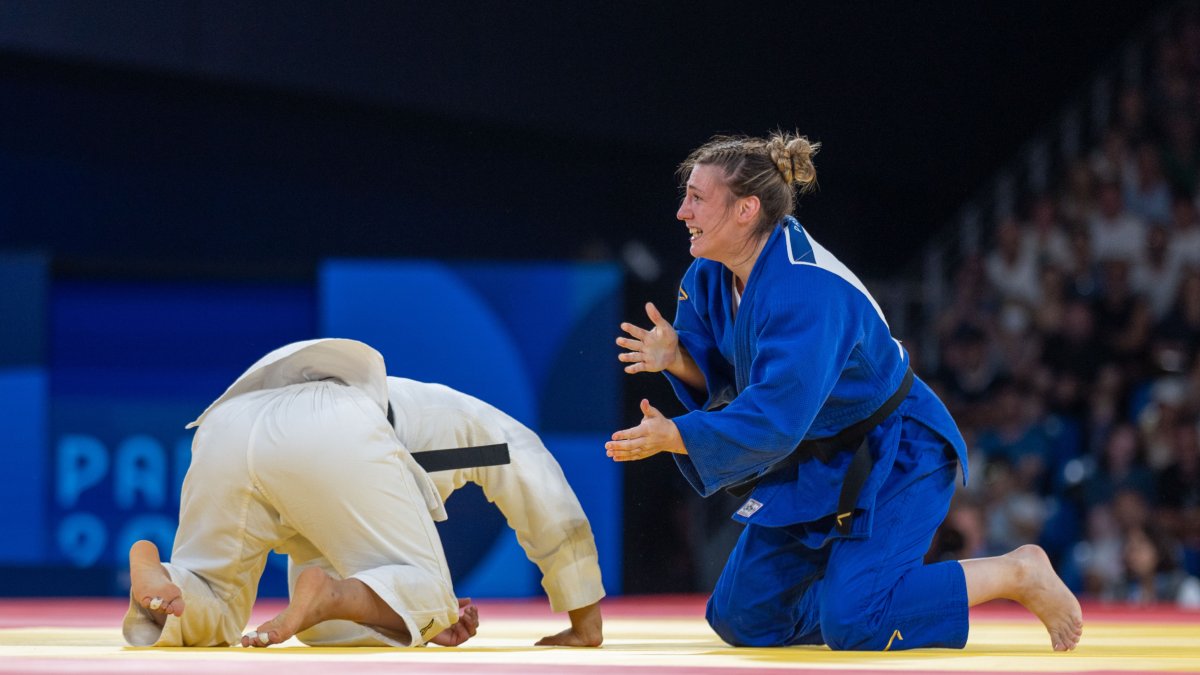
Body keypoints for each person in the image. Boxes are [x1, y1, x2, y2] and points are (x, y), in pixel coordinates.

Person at [607, 132, 1083, 651]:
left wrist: (676, 434)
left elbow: (772, 418)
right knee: (742, 620)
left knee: (855, 623)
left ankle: (1016, 571)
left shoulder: (806, 289)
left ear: (746, 209)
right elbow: (724, 373)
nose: (682, 211)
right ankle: (857, 594)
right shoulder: (709, 274)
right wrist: (676, 357)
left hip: (895, 450)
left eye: (697, 197)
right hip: (814, 460)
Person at [125, 338, 604, 648]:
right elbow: (529, 461)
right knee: (433, 598)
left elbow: (336, 561)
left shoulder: (408, 419)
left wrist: (407, 619)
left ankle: (163, 571)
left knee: (221, 607)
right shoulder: (467, 419)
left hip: (226, 423)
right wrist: (583, 616)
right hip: (330, 430)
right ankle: (385, 601)